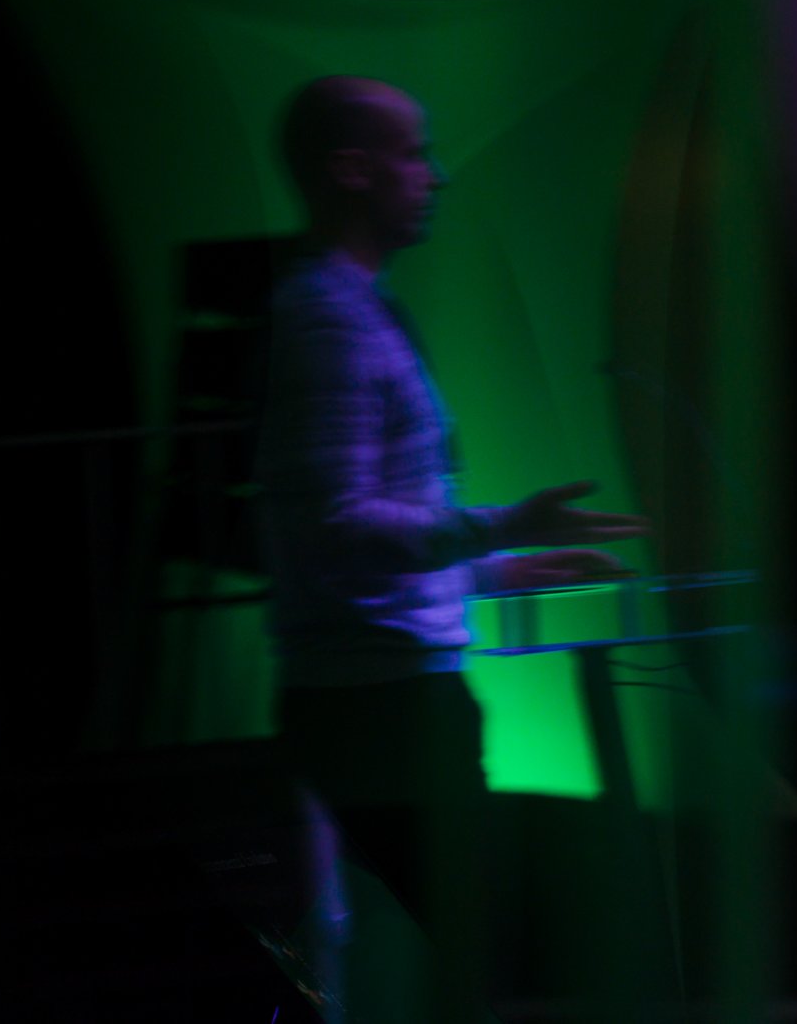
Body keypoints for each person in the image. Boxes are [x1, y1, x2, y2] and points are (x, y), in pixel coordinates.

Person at [256, 75, 647, 1022]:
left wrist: (502, 568)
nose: (434, 176)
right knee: (499, 959)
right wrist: (504, 525)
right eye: (413, 154)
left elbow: (360, 530)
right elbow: (337, 525)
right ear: (352, 172)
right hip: (381, 711)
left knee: (489, 957)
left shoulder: (354, 309)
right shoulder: (328, 319)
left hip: (388, 701)